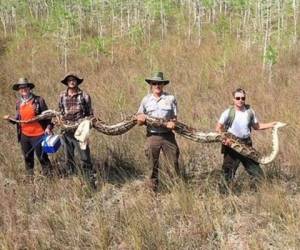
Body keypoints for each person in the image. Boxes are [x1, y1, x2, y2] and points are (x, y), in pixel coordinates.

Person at [215, 88, 277, 189]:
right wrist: (224, 139)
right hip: (231, 144)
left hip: (246, 144)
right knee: (228, 172)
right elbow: (218, 128)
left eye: (243, 98)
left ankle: (260, 192)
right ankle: (224, 195)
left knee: (256, 172)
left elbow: (257, 127)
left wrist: (272, 124)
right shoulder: (228, 112)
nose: (240, 100)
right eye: (238, 98)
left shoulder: (250, 112)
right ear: (233, 99)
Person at [136, 72, 180, 191]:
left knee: (173, 164)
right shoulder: (145, 100)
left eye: (159, 83)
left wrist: (173, 123)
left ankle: (176, 191)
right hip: (152, 136)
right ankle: (152, 191)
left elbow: (175, 118)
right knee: (152, 166)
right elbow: (139, 119)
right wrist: (140, 119)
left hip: (168, 136)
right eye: (154, 83)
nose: (157, 85)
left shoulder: (171, 99)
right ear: (150, 84)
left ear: (163, 84)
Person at [3, 78, 53, 177]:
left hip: (39, 134)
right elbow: (18, 119)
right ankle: (30, 178)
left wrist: (48, 128)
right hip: (24, 136)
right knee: (27, 157)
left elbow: (48, 116)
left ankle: (50, 178)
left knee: (42, 157)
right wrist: (10, 118)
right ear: (18, 90)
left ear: (29, 88)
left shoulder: (39, 100)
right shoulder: (18, 103)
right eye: (21, 88)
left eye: (25, 87)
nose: (23, 89)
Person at [58, 72, 96, 188]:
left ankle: (90, 181)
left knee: (85, 157)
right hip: (66, 131)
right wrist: (59, 120)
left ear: (77, 81)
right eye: (69, 80)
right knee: (68, 157)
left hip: (81, 131)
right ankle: (72, 181)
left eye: (74, 79)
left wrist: (87, 123)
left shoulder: (84, 95)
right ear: (67, 82)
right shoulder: (62, 96)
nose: (72, 81)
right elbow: (60, 111)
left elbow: (90, 114)